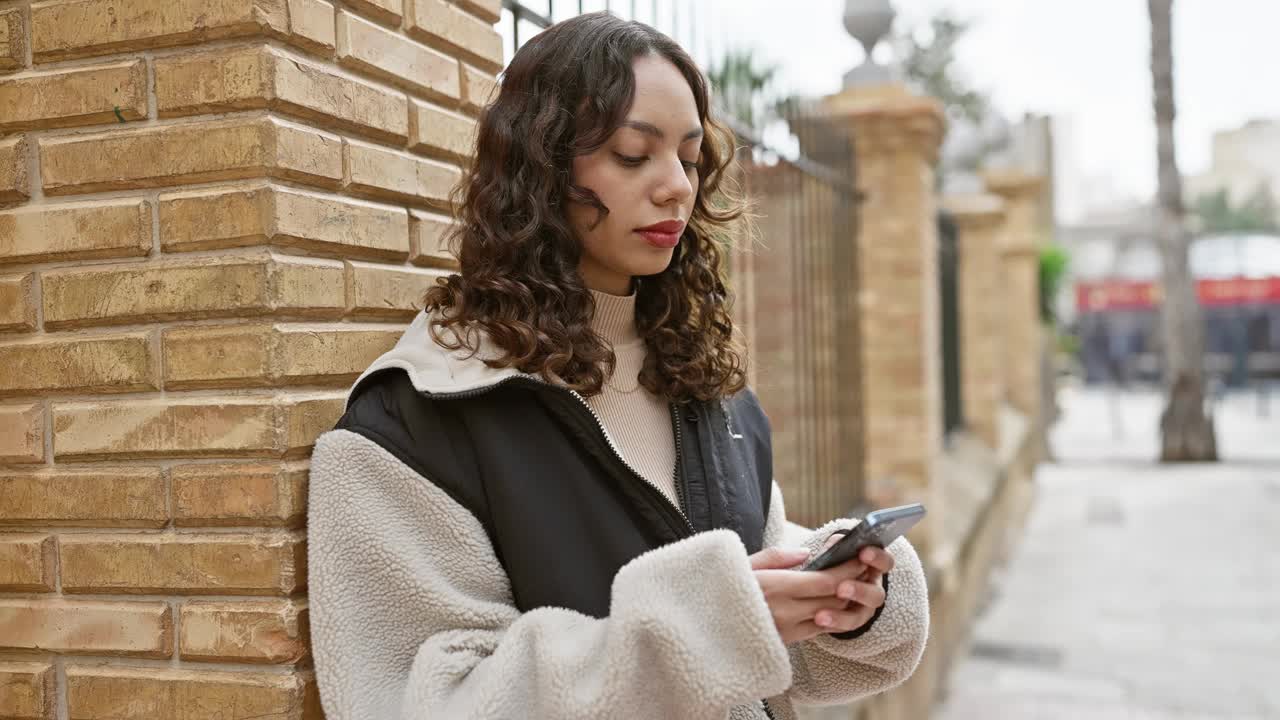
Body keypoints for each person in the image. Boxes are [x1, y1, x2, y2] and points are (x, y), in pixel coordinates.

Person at [307, 12, 929, 720]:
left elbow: (764, 650)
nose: (676, 188)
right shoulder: (416, 425)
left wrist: (836, 596)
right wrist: (708, 627)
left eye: (690, 159)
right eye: (634, 155)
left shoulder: (710, 394)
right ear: (539, 169)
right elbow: (423, 704)